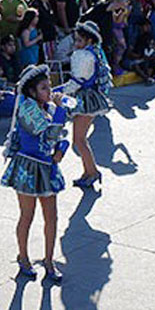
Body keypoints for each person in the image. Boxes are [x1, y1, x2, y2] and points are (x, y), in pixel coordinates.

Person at [1, 64, 72, 282]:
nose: (49, 91)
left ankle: (49, 261)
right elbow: (47, 134)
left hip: (47, 166)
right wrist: (61, 109)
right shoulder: (27, 108)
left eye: (49, 86)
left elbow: (55, 139)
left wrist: (62, 148)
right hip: (28, 168)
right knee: (27, 215)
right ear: (31, 91)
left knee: (52, 217)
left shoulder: (44, 107)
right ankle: (23, 258)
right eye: (43, 87)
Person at [61, 21, 113, 188]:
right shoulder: (93, 53)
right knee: (80, 140)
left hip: (85, 99)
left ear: (89, 41)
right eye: (76, 40)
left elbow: (77, 81)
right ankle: (89, 171)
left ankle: (92, 172)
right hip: (90, 98)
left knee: (79, 140)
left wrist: (60, 92)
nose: (76, 44)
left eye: (79, 41)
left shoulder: (83, 56)